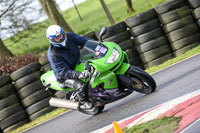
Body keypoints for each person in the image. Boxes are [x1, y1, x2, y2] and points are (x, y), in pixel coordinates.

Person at [46, 25, 91, 103]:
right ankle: (86, 103)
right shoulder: (53, 54)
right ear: (51, 40)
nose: (60, 38)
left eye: (60, 35)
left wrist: (99, 44)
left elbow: (85, 41)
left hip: (78, 65)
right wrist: (79, 74)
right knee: (82, 85)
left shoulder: (70, 36)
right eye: (57, 38)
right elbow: (64, 72)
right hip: (64, 76)